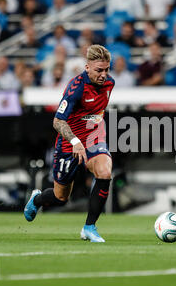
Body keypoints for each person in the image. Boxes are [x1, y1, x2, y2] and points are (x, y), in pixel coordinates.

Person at [24, 45, 115, 243]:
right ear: (87, 67)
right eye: (99, 70)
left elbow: (95, 112)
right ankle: (37, 199)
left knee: (105, 172)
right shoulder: (76, 87)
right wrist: (75, 141)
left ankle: (89, 227)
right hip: (69, 143)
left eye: (107, 69)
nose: (104, 75)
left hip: (94, 139)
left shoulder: (110, 84)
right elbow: (58, 121)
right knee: (60, 197)